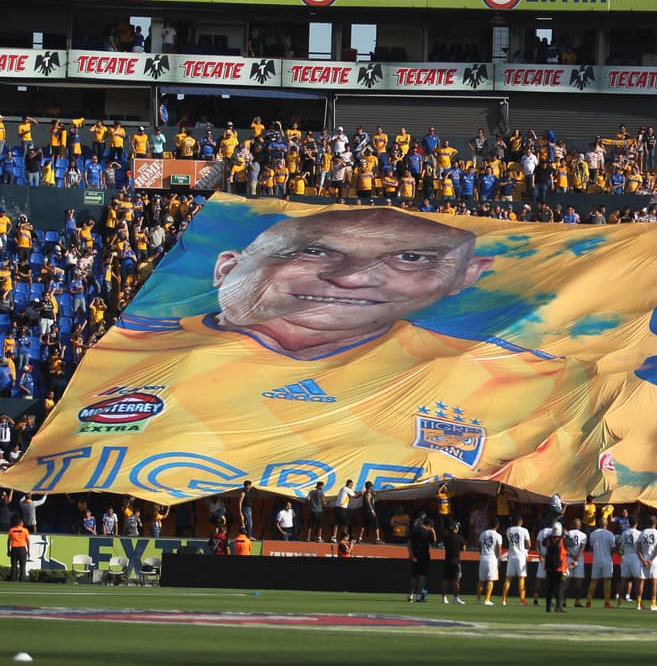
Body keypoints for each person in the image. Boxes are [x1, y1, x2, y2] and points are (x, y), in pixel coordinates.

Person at [21, 207, 584, 497]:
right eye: (313, 252)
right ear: (228, 268)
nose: (353, 277)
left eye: (410, 259)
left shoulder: (516, 380)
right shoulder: (126, 352)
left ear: (463, 279)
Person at [585, 519, 616, 608]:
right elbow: (613, 548)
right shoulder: (610, 534)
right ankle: (606, 602)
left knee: (593, 581)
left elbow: (591, 547)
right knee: (607, 581)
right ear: (607, 524)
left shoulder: (593, 534)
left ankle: (588, 602)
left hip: (596, 559)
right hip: (607, 560)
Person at [502, 513, 531, 606]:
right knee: (521, 578)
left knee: (508, 578)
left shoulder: (509, 530)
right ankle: (522, 600)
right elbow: (529, 544)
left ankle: (503, 599)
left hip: (511, 555)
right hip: (521, 556)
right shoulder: (524, 530)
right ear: (521, 521)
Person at [637, 514, 657, 611]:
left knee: (641, 581)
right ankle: (653, 604)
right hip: (654, 560)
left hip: (643, 559)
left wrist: (643, 559)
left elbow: (638, 548)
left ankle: (638, 604)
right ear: (656, 523)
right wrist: (651, 560)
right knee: (654, 582)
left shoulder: (642, 533)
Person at [407, 512, 435, 602]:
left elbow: (409, 543)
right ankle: (418, 596)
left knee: (413, 576)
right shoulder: (428, 532)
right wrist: (433, 532)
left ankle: (410, 595)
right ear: (429, 525)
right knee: (422, 576)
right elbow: (434, 542)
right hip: (424, 556)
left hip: (415, 556)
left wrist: (411, 554)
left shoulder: (414, 531)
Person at [477, 518, 503, 605]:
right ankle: (487, 600)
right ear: (497, 525)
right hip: (492, 559)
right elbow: (499, 550)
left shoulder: (483, 533)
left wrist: (482, 554)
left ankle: (478, 600)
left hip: (483, 557)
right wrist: (499, 560)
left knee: (481, 580)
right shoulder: (498, 536)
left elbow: (479, 547)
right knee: (490, 581)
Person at [543, 521, 568, 612]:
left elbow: (543, 543)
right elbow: (571, 544)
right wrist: (566, 534)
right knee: (560, 588)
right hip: (560, 567)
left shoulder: (548, 539)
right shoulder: (563, 540)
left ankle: (548, 607)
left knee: (549, 587)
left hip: (549, 566)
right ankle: (558, 607)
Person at [618, 517, 643, 606]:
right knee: (637, 580)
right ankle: (638, 603)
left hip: (626, 557)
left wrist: (622, 554)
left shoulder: (624, 533)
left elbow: (620, 545)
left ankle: (619, 603)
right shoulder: (639, 533)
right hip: (635, 558)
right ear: (636, 523)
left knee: (623, 580)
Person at [564, 518, 588, 607]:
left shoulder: (568, 533)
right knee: (578, 581)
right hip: (579, 560)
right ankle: (577, 602)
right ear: (580, 526)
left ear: (572, 525)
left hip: (569, 558)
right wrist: (577, 558)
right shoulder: (583, 535)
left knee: (567, 581)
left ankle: (564, 601)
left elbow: (564, 546)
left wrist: (571, 556)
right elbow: (582, 547)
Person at [441, 520, 465, 605]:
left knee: (445, 579)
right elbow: (463, 548)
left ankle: (444, 597)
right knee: (456, 580)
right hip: (456, 561)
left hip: (447, 560)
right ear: (456, 528)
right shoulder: (459, 537)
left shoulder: (446, 538)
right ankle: (456, 598)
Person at [7, 517, 29, 582]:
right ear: (21, 523)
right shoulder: (25, 530)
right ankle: (22, 578)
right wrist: (29, 550)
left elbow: (8, 541)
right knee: (22, 565)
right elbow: (27, 541)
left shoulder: (11, 530)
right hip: (22, 548)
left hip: (14, 548)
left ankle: (13, 578)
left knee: (13, 565)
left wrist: (8, 550)